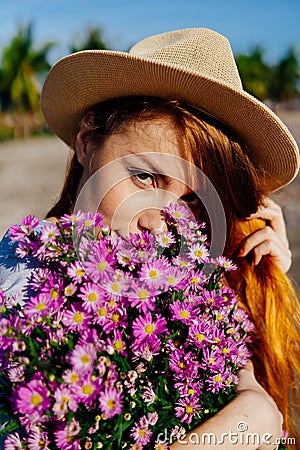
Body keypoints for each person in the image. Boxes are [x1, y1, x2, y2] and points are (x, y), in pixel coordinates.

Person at [0, 27, 299, 449]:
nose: (160, 225)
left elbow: (253, 402)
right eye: (143, 176)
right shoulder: (18, 281)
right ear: (87, 142)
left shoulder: (189, 287)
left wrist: (260, 272)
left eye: (195, 203)